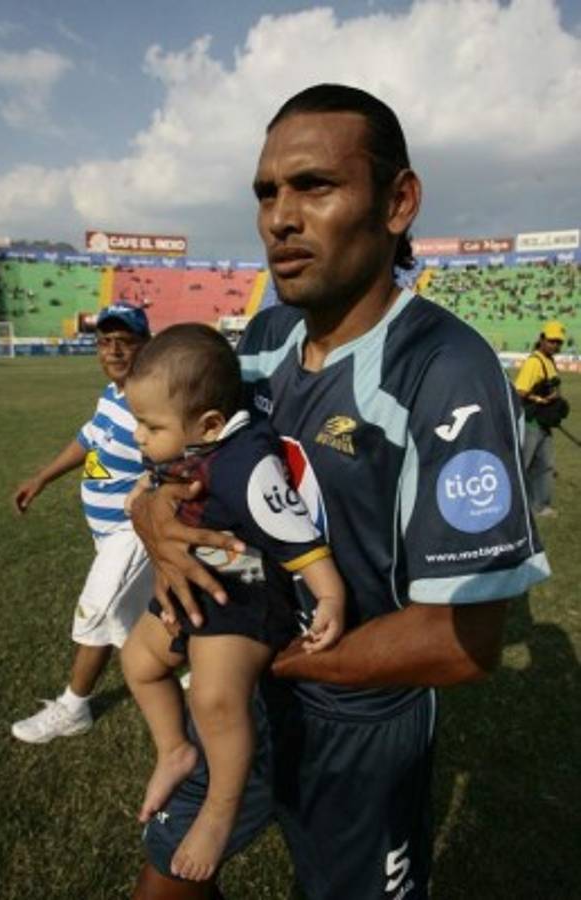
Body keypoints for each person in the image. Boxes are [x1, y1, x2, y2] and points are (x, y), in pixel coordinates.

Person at [129, 84, 551, 900]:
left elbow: (462, 641)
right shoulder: (264, 335)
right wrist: (153, 509)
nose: (279, 218)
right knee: (167, 881)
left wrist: (272, 659)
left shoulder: (446, 372)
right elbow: (188, 447)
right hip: (239, 682)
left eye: (314, 185)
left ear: (397, 202)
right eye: (266, 193)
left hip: (357, 722)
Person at [121, 322, 345, 882]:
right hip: (195, 581)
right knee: (138, 661)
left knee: (215, 698)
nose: (139, 437)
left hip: (245, 588)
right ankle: (175, 750)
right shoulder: (188, 442)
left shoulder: (246, 463)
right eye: (137, 422)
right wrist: (145, 493)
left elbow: (294, 531)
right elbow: (156, 485)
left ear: (210, 424)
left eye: (150, 426)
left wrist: (329, 592)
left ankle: (221, 807)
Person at [11, 304, 152, 744]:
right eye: (105, 342)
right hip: (105, 534)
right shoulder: (112, 393)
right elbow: (90, 438)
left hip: (133, 531)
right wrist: (42, 478)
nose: (113, 351)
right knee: (139, 612)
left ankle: (74, 708)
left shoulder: (151, 399)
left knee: (99, 608)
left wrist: (149, 493)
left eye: (125, 342)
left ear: (146, 346)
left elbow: (177, 458)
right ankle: (195, 662)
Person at [515, 320, 567, 517]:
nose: (555, 345)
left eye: (558, 342)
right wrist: (540, 399)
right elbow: (520, 391)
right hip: (531, 422)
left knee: (545, 465)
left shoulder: (549, 360)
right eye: (552, 341)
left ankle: (540, 506)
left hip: (543, 423)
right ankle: (514, 506)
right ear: (542, 339)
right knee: (524, 464)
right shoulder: (534, 362)